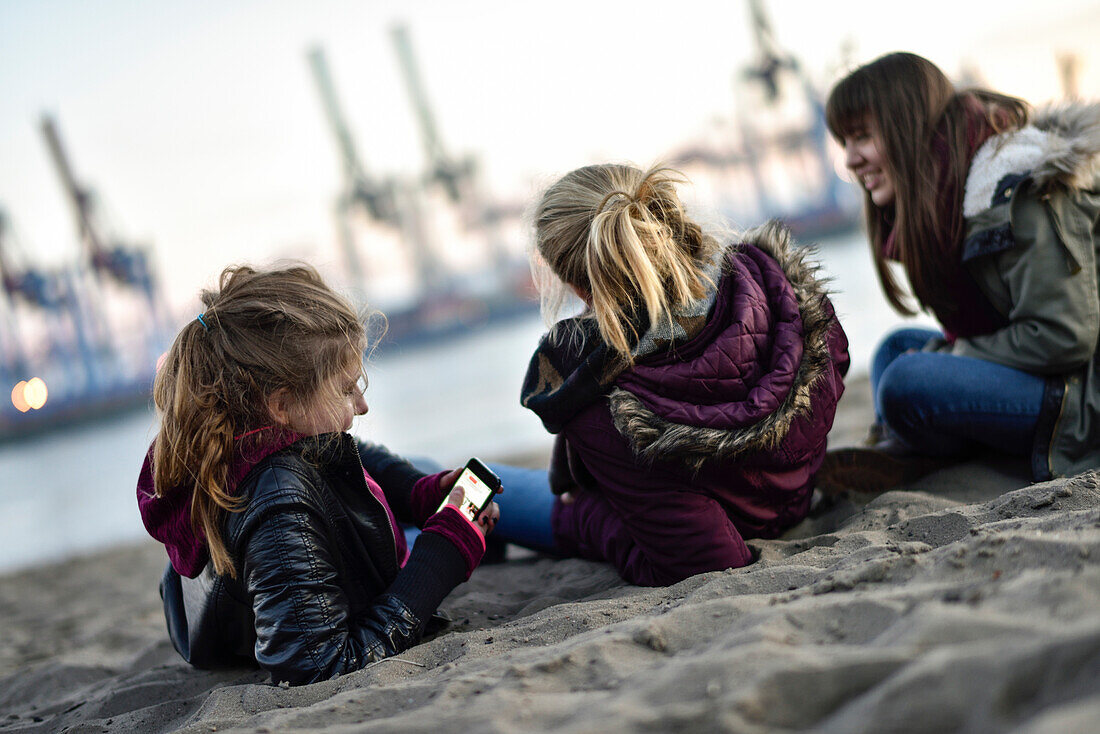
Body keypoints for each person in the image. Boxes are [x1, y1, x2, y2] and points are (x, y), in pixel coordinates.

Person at [136, 264, 499, 686]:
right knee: (459, 531)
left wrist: (415, 491)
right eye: (346, 389)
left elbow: (347, 457)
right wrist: (440, 561)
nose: (362, 406)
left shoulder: (258, 437)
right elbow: (316, 666)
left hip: (318, 560)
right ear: (281, 404)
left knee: (457, 515)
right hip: (286, 583)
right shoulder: (278, 506)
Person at [512, 163, 850, 586]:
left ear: (577, 285)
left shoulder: (607, 406)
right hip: (794, 498)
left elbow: (708, 560)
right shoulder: (775, 287)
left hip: (732, 524)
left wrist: (584, 516)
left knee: (486, 489)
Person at [821, 52, 1100, 490]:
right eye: (844, 143)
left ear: (905, 127)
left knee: (906, 382)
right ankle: (908, 447)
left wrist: (951, 357)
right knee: (895, 350)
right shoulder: (950, 195)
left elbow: (1064, 336)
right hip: (1051, 379)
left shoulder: (1016, 190)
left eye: (861, 138)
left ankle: (915, 446)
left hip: (1082, 397)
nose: (850, 161)